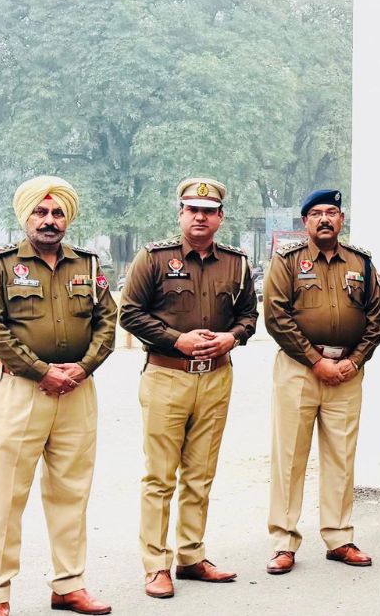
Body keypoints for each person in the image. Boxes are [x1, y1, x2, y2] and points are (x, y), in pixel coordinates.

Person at [0, 177, 116, 616]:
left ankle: (69, 585)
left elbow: (106, 323)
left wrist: (83, 367)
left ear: (67, 218)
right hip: (20, 391)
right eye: (41, 212)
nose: (50, 221)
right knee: (5, 497)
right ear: (26, 216)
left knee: (72, 493)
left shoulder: (89, 266)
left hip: (77, 391)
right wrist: (40, 371)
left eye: (57, 214)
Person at [119, 178, 257, 598]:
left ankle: (192, 556)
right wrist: (174, 338)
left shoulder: (237, 263)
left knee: (200, 474)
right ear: (180, 214)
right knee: (160, 475)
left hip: (215, 377)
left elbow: (249, 315)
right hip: (167, 374)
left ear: (220, 217)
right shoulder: (154, 258)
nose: (200, 216)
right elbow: (128, 313)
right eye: (192, 209)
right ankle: (155, 564)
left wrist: (233, 337)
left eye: (208, 210)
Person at [262, 189, 380, 575]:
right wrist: (316, 361)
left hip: (346, 372)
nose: (325, 219)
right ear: (305, 223)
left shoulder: (361, 263)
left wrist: (354, 361)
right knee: (290, 457)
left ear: (341, 220)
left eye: (332, 212)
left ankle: (339, 538)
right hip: (299, 369)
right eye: (317, 213)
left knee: (341, 456)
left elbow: (375, 319)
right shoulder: (287, 261)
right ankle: (284, 542)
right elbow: (276, 316)